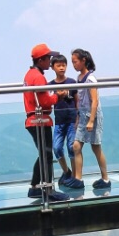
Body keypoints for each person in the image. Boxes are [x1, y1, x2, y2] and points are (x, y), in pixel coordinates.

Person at [23, 43, 66, 200]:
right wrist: (58, 96)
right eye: (48, 58)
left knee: (43, 153)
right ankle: (48, 190)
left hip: (32, 119)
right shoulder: (38, 77)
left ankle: (35, 187)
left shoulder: (29, 74)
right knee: (47, 154)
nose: (50, 61)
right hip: (39, 120)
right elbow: (45, 101)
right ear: (40, 60)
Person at [69, 50, 109, 191]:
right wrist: (78, 117)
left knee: (95, 147)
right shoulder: (79, 78)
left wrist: (91, 120)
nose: (74, 64)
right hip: (82, 115)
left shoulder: (90, 78)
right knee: (76, 146)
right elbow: (80, 100)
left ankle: (105, 178)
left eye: (75, 61)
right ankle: (78, 179)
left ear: (83, 60)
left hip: (92, 115)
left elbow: (94, 100)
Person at [50, 53, 77, 183]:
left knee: (72, 147)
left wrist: (78, 117)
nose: (62, 68)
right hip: (59, 121)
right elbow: (47, 101)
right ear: (52, 67)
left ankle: (75, 177)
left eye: (64, 65)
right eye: (58, 65)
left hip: (72, 120)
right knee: (57, 148)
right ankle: (67, 172)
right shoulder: (50, 85)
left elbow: (77, 101)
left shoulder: (72, 82)